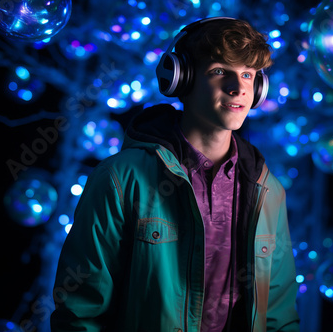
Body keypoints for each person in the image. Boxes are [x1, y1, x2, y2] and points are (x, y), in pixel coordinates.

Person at [50, 17, 300, 332]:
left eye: (248, 74)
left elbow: (280, 317)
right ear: (181, 79)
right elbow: (79, 313)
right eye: (220, 71)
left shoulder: (269, 192)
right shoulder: (120, 179)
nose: (238, 88)